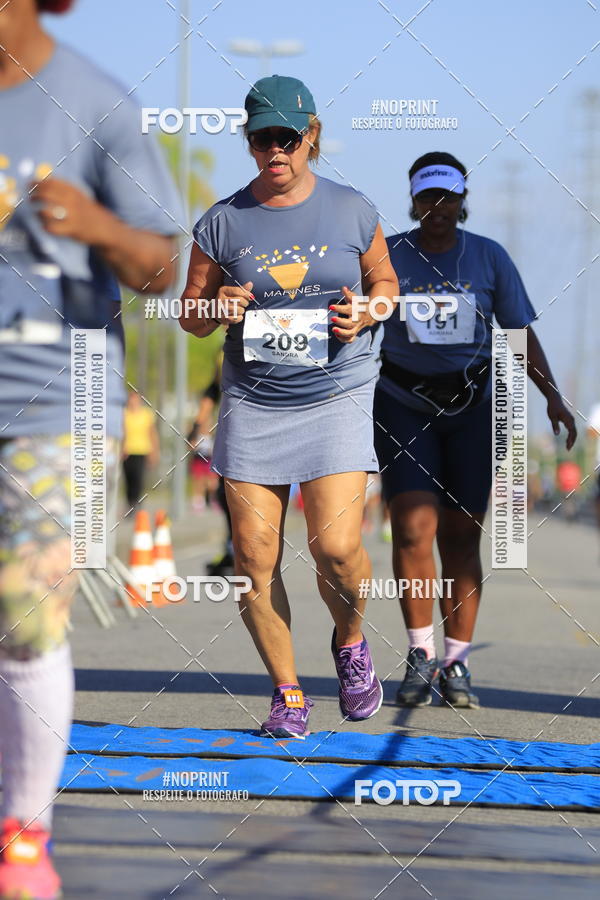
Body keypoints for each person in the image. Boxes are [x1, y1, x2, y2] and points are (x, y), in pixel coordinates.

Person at [0, 2, 182, 897]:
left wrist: (100, 229)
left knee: (29, 611)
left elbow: (164, 266)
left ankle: (23, 837)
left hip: (60, 396)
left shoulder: (97, 105)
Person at [180, 74, 398, 739]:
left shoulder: (352, 209)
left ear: (312, 136)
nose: (275, 151)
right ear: (248, 143)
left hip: (335, 393)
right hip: (252, 400)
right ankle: (288, 694)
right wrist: (214, 308)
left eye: (287, 137)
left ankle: (352, 643)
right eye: (261, 139)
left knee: (336, 547)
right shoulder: (222, 221)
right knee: (252, 555)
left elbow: (386, 282)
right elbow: (188, 313)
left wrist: (369, 310)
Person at [374, 151, 576, 709]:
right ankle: (419, 653)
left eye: (448, 197)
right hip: (402, 405)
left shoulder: (488, 258)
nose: (437, 207)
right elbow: (355, 321)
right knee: (413, 530)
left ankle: (456, 662)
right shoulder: (389, 256)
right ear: (413, 201)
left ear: (463, 202)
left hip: (472, 409)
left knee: (461, 537)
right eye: (427, 197)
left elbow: (519, 332)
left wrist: (552, 396)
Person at [122, 390, 160, 509]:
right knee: (128, 479)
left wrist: (154, 452)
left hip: (142, 450)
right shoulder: (124, 413)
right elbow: (121, 433)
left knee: (138, 479)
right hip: (127, 452)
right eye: (131, 398)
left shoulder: (146, 414)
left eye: (135, 398)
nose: (133, 401)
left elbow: (152, 433)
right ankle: (129, 503)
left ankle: (136, 504)